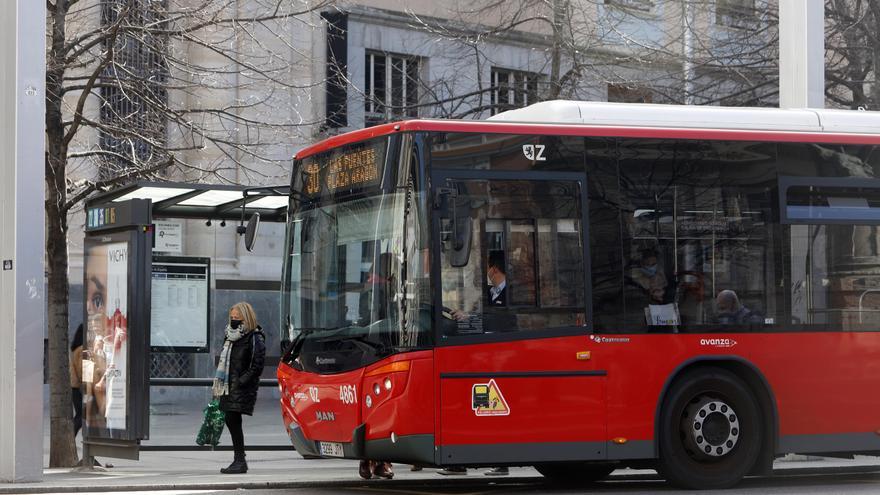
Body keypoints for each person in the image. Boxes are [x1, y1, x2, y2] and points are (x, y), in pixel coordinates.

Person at [213, 302, 266, 474]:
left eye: (238, 317)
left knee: (232, 420)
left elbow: (257, 365)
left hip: (241, 386)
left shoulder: (254, 337)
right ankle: (239, 459)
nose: (234, 320)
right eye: (232, 317)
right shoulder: (229, 335)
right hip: (228, 385)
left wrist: (242, 381)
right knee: (232, 420)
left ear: (246, 317)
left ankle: (239, 460)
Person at [70, 324, 84, 437]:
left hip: (75, 386)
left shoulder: (76, 349)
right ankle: (70, 436)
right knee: (81, 415)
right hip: (79, 386)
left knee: (80, 414)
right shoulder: (82, 349)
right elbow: (81, 369)